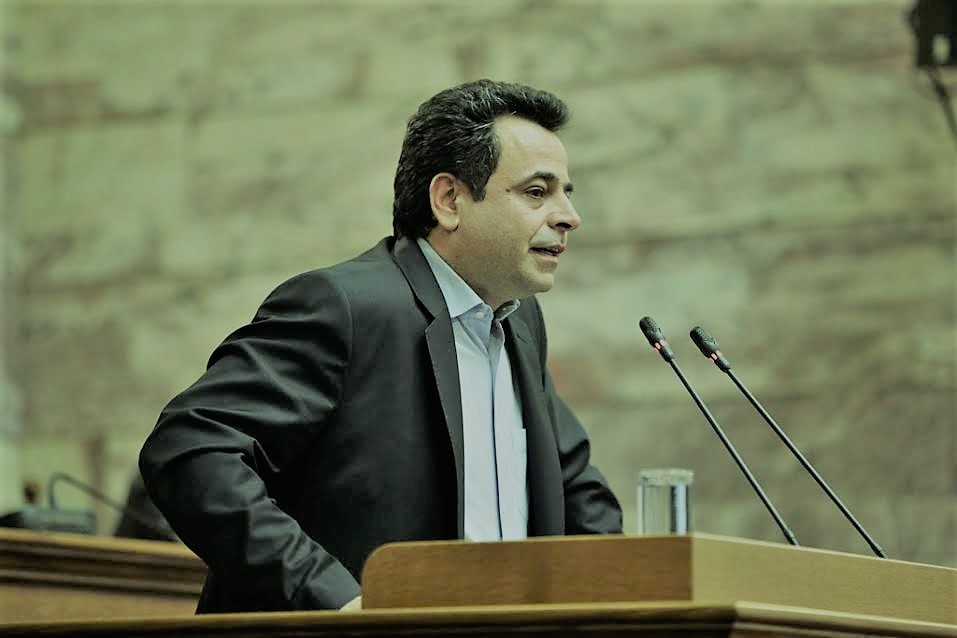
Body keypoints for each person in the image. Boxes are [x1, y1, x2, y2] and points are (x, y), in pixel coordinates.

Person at [139, 79, 623, 614]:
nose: (568, 216)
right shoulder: (344, 307)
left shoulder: (519, 321)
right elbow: (190, 450)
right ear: (449, 200)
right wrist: (337, 601)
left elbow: (578, 490)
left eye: (566, 193)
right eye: (536, 192)